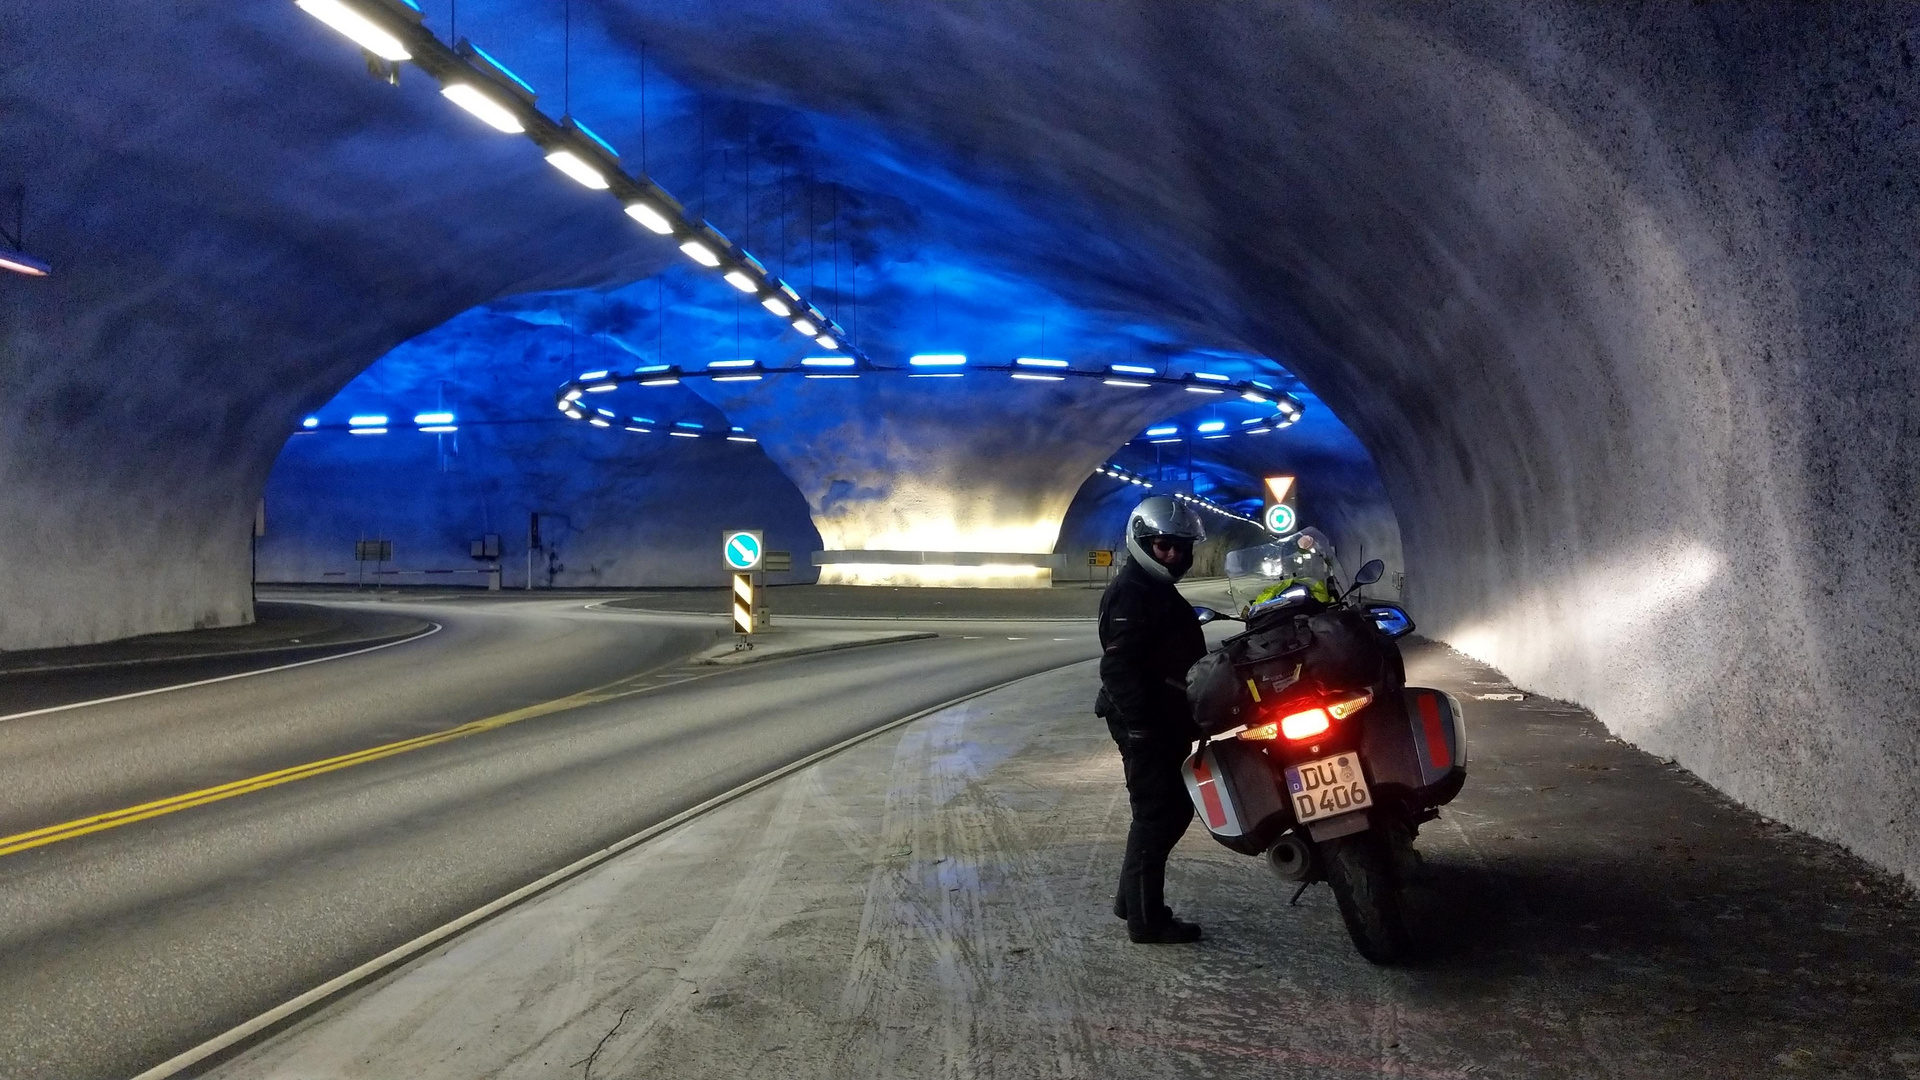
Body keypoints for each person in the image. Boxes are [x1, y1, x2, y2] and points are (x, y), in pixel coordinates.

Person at [1095, 495, 1208, 944]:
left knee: (1167, 810)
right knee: (1157, 815)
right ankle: (1146, 921)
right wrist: (1141, 727)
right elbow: (1117, 668)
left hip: (1163, 720)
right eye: (1163, 545)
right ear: (1142, 542)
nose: (1173, 555)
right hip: (1144, 724)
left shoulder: (1154, 587)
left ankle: (1131, 901)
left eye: (1180, 547)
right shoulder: (1132, 592)